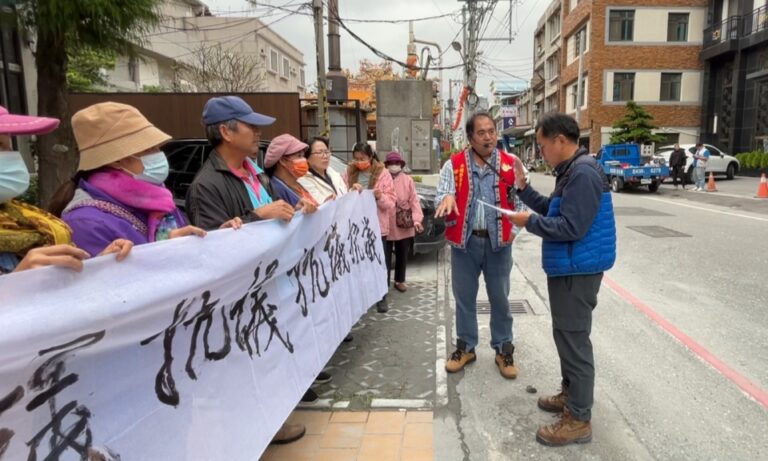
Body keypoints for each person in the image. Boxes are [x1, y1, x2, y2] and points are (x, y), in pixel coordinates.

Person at [506, 112, 616, 447]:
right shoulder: (572, 170)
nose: (541, 153)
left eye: (542, 146)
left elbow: (571, 227)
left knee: (574, 341)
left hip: (577, 270)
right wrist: (523, 189)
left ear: (560, 140)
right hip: (570, 267)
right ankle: (571, 396)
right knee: (566, 337)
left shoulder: (582, 173)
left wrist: (528, 222)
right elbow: (553, 209)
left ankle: (579, 418)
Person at [49, 103, 213, 257]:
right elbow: (120, 277)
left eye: (158, 147)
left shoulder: (159, 199)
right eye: (149, 149)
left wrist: (217, 237)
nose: (159, 154)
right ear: (116, 160)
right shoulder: (86, 222)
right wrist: (167, 250)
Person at [434, 111, 520, 380]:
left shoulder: (510, 164)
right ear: (470, 137)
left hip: (499, 243)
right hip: (465, 243)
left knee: (500, 298)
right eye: (481, 133)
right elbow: (442, 192)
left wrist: (514, 230)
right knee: (464, 299)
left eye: (491, 131)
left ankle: (503, 348)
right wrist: (447, 197)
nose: (488, 137)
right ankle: (466, 347)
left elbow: (522, 200)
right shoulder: (454, 164)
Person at [0, 106, 131, 274]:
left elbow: (64, 286)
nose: (11, 156)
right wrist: (19, 281)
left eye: (9, 146)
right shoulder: (85, 217)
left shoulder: (24, 218)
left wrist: (98, 265)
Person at [186, 96, 297, 231]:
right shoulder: (205, 187)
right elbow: (214, 240)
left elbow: (277, 210)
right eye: (251, 125)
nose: (258, 132)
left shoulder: (258, 174)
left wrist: (295, 210)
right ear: (226, 132)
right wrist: (258, 215)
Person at [345, 142, 395, 313]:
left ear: (371, 157)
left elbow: (391, 203)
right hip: (356, 226)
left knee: (380, 261)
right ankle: (364, 295)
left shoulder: (383, 173)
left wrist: (380, 196)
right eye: (356, 158)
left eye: (363, 158)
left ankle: (382, 296)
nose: (359, 162)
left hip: (377, 226)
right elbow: (342, 194)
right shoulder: (349, 172)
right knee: (360, 262)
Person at [383, 151, 423, 293]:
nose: (394, 165)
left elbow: (414, 201)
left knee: (402, 253)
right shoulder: (381, 178)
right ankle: (383, 283)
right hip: (386, 220)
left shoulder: (407, 180)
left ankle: (400, 280)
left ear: (401, 164)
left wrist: (417, 220)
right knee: (385, 255)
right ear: (387, 165)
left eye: (396, 163)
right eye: (391, 163)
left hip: (404, 220)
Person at [263, 134, 318, 213]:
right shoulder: (276, 190)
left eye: (303, 156)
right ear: (283, 161)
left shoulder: (299, 184)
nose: (304, 160)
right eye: (299, 156)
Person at [299, 136, 361, 203]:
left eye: (327, 152)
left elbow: (343, 196)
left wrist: (352, 192)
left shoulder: (333, 172)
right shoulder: (304, 180)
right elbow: (320, 203)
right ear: (307, 157)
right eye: (319, 152)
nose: (325, 156)